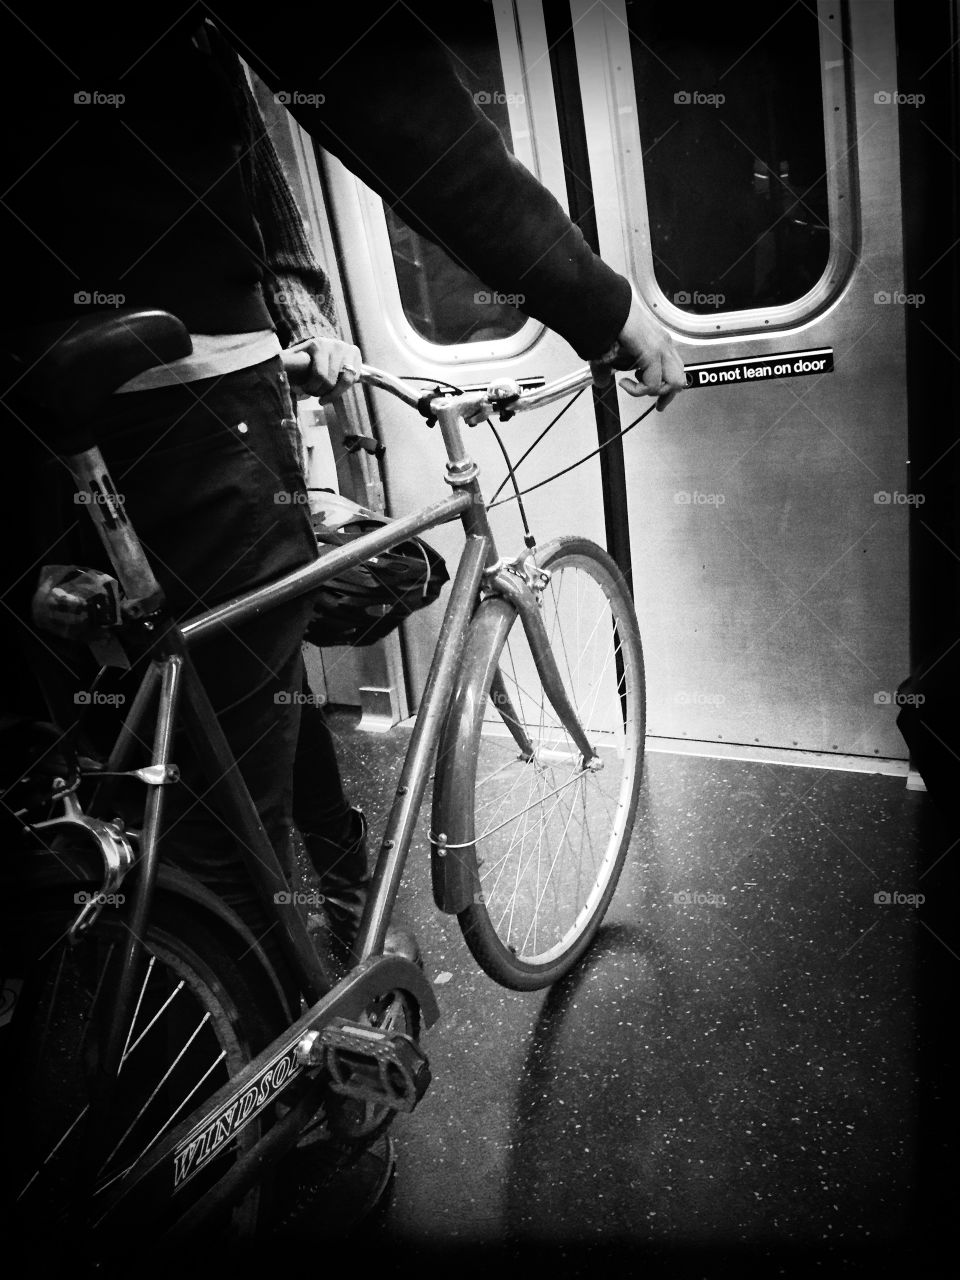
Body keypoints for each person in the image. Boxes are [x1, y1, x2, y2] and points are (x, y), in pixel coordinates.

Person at [0, 3, 685, 964]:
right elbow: (369, 71)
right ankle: (265, 1073)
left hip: (27, 387)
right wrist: (594, 301)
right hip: (171, 368)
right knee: (214, 808)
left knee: (158, 701)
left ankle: (285, 912)